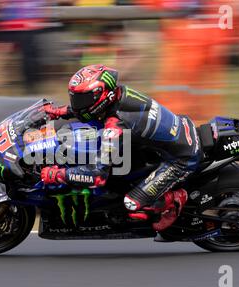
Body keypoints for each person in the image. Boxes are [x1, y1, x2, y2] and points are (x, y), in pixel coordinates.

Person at [40, 64, 201, 233]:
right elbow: (87, 109)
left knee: (131, 205)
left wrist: (57, 174)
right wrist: (58, 111)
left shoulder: (116, 125)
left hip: (182, 159)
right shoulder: (119, 94)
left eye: (82, 99)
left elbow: (97, 176)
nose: (77, 104)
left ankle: (174, 199)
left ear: (102, 96)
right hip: (176, 133)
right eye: (75, 98)